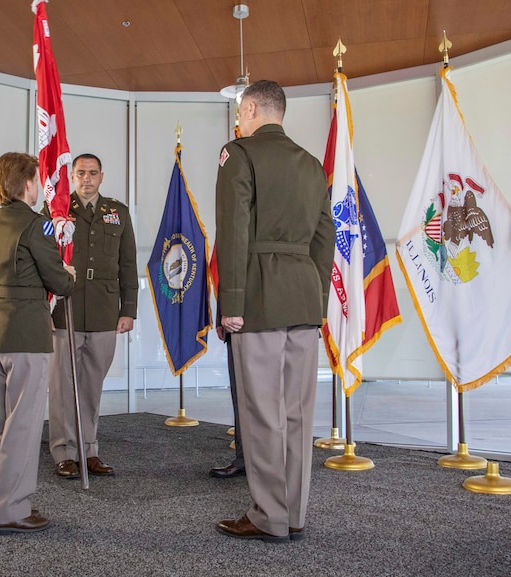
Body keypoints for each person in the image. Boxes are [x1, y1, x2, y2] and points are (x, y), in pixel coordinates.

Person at [213, 80, 335, 543]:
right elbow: (324, 241)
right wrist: (315, 295)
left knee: (263, 413)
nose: (238, 121)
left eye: (240, 113)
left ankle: (269, 516)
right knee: (298, 414)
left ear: (250, 108)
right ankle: (295, 514)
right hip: (303, 300)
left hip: (258, 300)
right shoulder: (311, 165)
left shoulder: (238, 154)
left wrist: (232, 303)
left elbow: (234, 230)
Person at [0, 152, 76, 535]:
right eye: (37, 178)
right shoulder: (38, 226)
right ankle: (10, 511)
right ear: (27, 183)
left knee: (0, 425)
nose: (39, 185)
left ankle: (0, 504)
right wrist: (68, 273)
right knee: (22, 425)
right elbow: (60, 282)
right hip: (25, 337)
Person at [46, 153, 138, 479]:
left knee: (92, 387)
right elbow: (43, 261)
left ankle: (88, 450)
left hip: (104, 311)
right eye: (81, 173)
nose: (87, 178)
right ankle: (64, 452)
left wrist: (128, 311)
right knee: (62, 386)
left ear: (102, 176)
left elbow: (128, 265)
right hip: (64, 310)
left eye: (93, 173)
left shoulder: (118, 213)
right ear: (71, 176)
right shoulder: (56, 211)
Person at [209, 315, 245, 479]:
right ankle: (244, 460)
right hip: (242, 323)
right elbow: (227, 288)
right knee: (242, 397)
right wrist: (225, 314)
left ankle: (277, 462)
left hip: (286, 323)